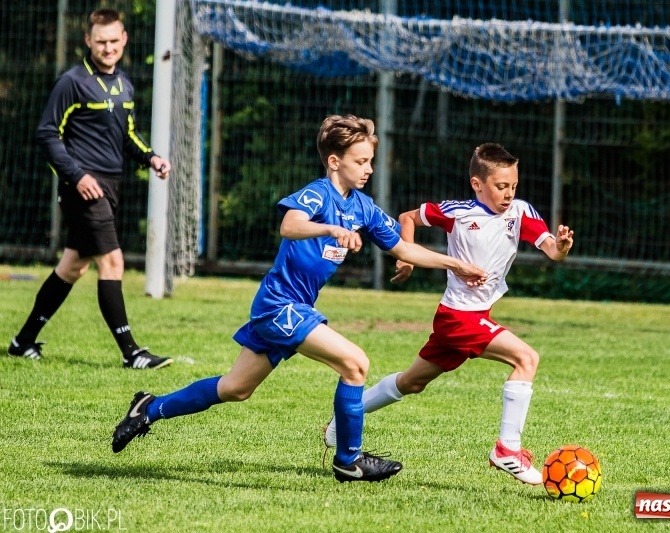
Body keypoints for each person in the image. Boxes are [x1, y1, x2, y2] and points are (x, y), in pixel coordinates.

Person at [111, 115, 488, 483]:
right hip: (279, 305)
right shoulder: (318, 193)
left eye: (370, 161)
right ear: (334, 161)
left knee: (235, 388)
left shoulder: (362, 206)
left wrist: (455, 264)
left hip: (294, 308)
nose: (369, 169)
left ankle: (149, 408)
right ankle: (348, 460)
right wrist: (331, 229)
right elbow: (289, 225)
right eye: (361, 161)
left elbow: (403, 248)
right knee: (355, 363)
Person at [323, 142, 574, 485]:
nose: (509, 194)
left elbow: (551, 250)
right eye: (501, 186)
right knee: (526, 358)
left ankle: (342, 420)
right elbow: (408, 218)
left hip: (466, 317)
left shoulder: (520, 212)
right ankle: (507, 450)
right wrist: (407, 258)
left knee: (411, 383)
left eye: (514, 186)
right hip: (459, 317)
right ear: (477, 184)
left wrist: (561, 248)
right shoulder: (458, 213)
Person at [7, 9, 173, 369]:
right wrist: (77, 175)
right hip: (83, 188)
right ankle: (132, 353)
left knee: (73, 266)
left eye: (114, 41)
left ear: (124, 39)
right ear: (88, 41)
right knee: (112, 261)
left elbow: (127, 134)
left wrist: (151, 158)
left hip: (111, 184)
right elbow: (47, 134)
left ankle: (23, 341)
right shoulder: (72, 82)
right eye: (101, 42)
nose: (108, 48)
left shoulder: (124, 84)